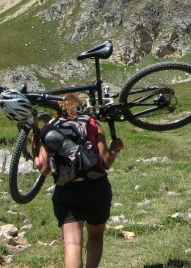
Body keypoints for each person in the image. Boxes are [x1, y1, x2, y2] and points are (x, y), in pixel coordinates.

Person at [33, 93, 124, 268]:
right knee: (96, 236)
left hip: (66, 190)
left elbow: (42, 167)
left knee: (72, 244)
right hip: (96, 188)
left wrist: (35, 141)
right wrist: (115, 148)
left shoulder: (50, 127)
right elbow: (105, 161)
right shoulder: (90, 123)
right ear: (79, 105)